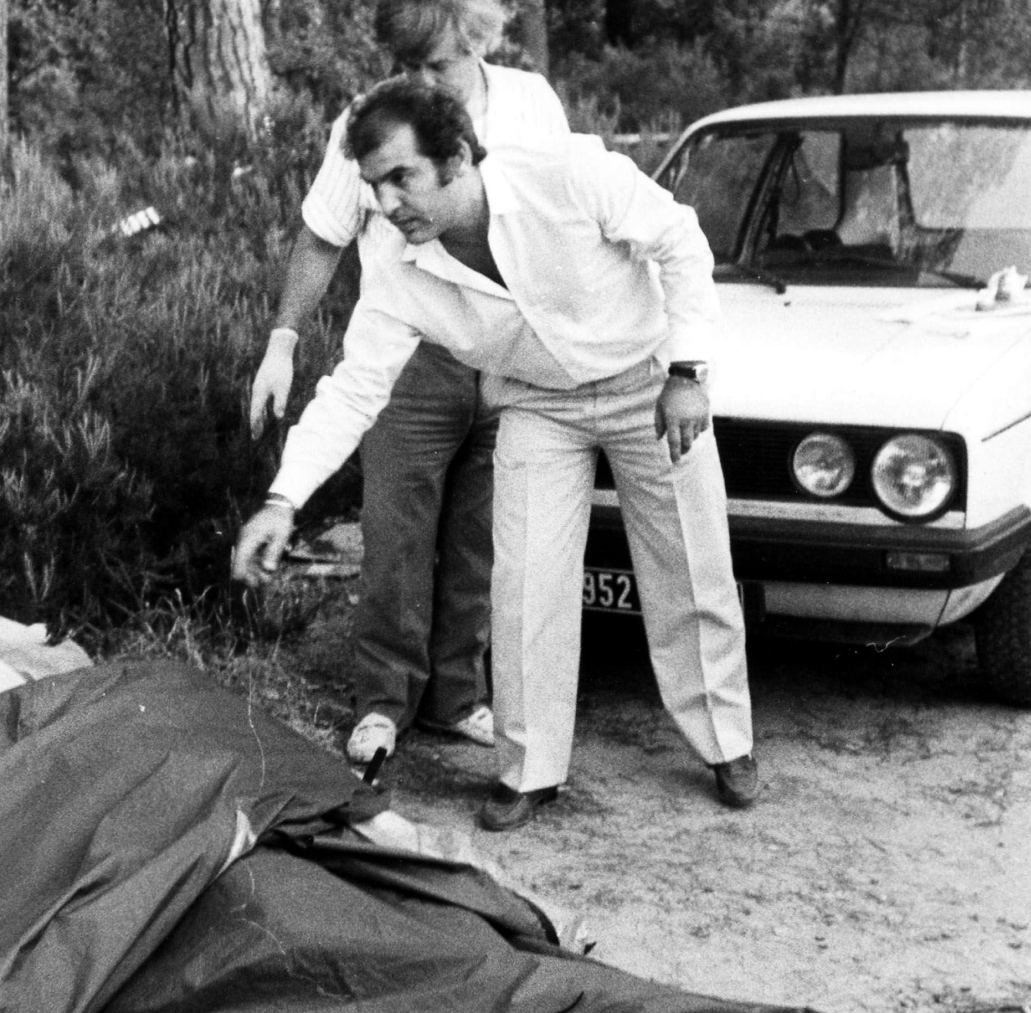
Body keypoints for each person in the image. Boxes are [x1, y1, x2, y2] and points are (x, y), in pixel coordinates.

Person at [232, 79, 758, 832]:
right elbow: (353, 391)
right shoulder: (401, 276)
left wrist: (688, 370)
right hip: (540, 405)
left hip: (649, 384)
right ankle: (529, 771)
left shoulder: (567, 173)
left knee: (688, 566)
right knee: (523, 584)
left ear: (455, 158)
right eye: (374, 186)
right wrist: (283, 500)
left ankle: (726, 742)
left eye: (401, 178)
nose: (386, 204)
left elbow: (679, 241)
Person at [247, 0, 569, 765]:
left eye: (439, 66)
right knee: (396, 532)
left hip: (505, 349)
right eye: (409, 66)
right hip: (404, 350)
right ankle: (384, 702)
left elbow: (556, 223)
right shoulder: (368, 119)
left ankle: (458, 696)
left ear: (480, 41)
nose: (425, 82)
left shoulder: (531, 103)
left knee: (479, 537)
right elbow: (323, 235)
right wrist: (282, 341)